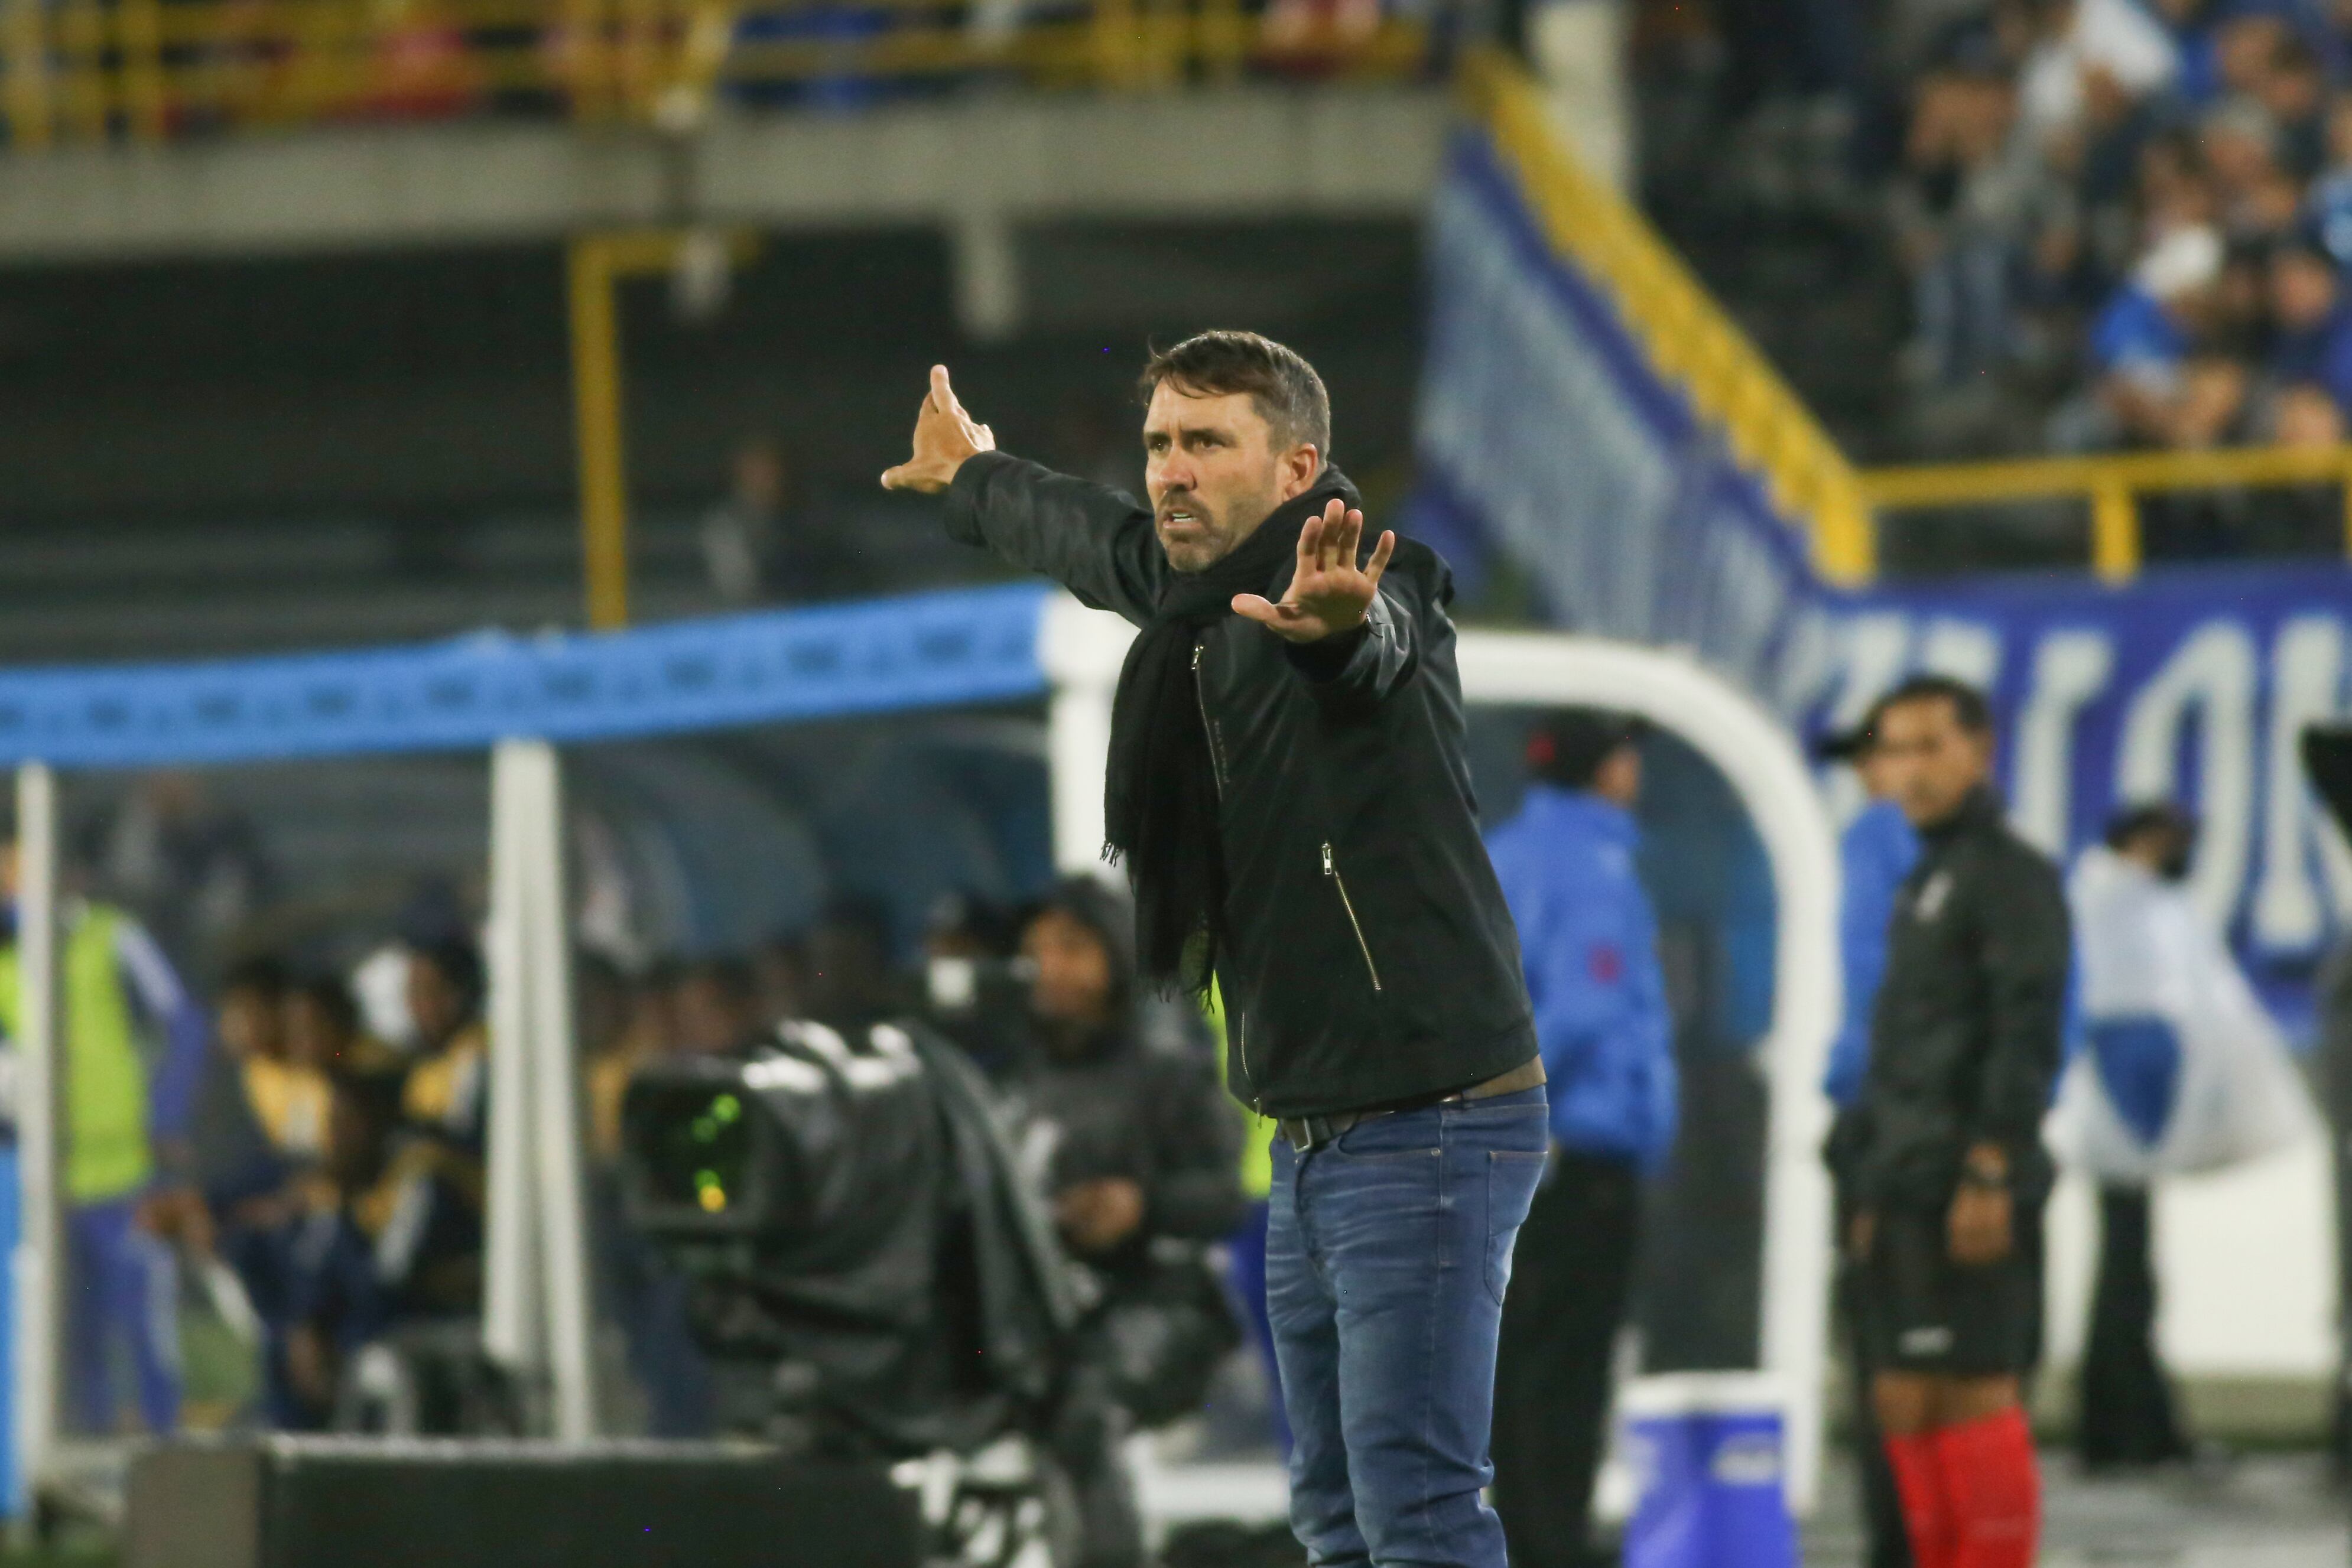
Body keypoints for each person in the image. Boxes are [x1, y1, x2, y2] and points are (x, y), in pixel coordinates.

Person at [882, 331, 1547, 1568]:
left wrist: (1334, 632)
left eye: (1206, 442)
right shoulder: (1194, 597)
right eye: (1158, 444)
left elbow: (1375, 648)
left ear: (1298, 466)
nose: (1170, 472)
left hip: (1427, 1121)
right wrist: (974, 477)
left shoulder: (1373, 587)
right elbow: (1101, 544)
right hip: (1312, 1134)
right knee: (1338, 1521)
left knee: (1418, 1509)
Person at [1845, 675, 2069, 1568]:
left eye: (1934, 744)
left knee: (1975, 1388)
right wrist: (1871, 1182)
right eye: (1898, 747)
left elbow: (2029, 1027)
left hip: (1967, 1186)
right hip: (1903, 1180)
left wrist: (1992, 1166)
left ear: (1982, 750)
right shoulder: (1925, 877)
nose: (1916, 767)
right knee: (1902, 1395)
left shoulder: (2008, 874)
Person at [1484, 708, 1677, 1568]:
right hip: (1580, 1152)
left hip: (1510, 1155)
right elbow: (1591, 1004)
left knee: (1514, 1358)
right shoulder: (1598, 866)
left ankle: (1523, 1533)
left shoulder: (1500, 851)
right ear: (1607, 769)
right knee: (1569, 1364)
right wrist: (1526, 1093)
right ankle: (1553, 1543)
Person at [1007, 877, 1248, 1568]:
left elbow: (1220, 1195)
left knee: (1084, 1407)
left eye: (1072, 947)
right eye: (1037, 949)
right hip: (1051, 1305)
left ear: (1114, 954)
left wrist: (1140, 1206)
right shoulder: (1026, 1072)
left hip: (1161, 1300)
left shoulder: (1166, 1063)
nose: (1050, 966)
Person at [0, 840, 212, 1436]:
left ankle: (167, 1452)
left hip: (126, 1171)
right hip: (42, 1179)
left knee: (145, 1320)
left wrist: (164, 1115)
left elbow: (185, 1023)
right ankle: (76, 1456)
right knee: (67, 1332)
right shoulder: (8, 958)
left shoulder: (113, 935)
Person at [2065, 803, 2197, 1471]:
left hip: (2128, 1115)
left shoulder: (2123, 900)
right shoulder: (2113, 902)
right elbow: (2120, 1014)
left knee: (2129, 1268)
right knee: (2125, 1273)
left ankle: (2127, 1421)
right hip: (2123, 1116)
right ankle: (2122, 1425)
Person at [1820, 708, 1922, 1568]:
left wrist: (1846, 1097)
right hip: (1946, 1130)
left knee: (1883, 1345)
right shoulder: (1998, 862)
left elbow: (1872, 995)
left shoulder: (1876, 843)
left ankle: (1899, 1540)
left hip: (1885, 1131)